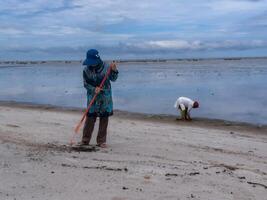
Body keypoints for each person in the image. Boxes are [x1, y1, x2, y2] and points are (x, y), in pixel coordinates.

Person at [81, 49, 118, 148]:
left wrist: (114, 70)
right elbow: (85, 84)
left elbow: (113, 79)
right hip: (92, 97)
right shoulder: (86, 70)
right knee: (90, 118)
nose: (91, 64)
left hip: (105, 98)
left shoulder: (107, 67)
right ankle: (85, 140)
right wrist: (93, 89)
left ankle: (101, 141)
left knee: (104, 119)